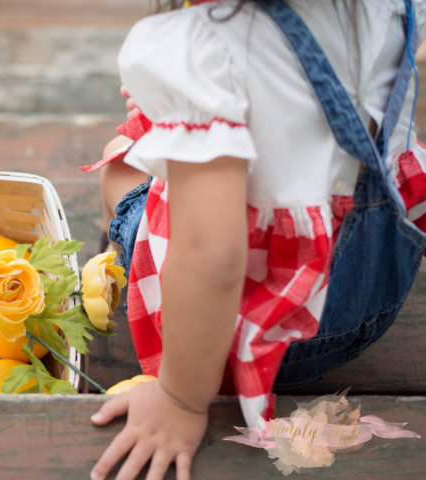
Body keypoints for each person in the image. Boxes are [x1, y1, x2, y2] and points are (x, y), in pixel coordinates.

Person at [82, 1, 426, 479]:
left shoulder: (203, 47)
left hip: (264, 339)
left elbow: (213, 254)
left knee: (119, 161)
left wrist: (179, 400)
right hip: (379, 284)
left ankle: (116, 269)